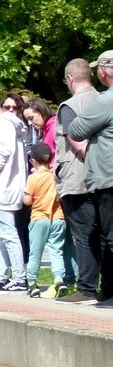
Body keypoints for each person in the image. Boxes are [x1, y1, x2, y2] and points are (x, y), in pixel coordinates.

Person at [55, 58, 105, 303]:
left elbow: (77, 143)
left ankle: (85, 288)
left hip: (77, 179)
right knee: (104, 235)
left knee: (83, 236)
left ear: (70, 79)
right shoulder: (104, 99)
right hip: (102, 180)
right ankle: (107, 287)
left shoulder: (69, 105)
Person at [68, 50, 113, 303]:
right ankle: (108, 290)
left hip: (109, 177)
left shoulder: (106, 100)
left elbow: (76, 128)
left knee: (111, 236)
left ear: (104, 71)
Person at [0, 91, 29, 292]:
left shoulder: (1, 123)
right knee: (3, 235)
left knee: (8, 234)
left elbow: (0, 158)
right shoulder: (15, 125)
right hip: (12, 186)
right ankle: (1, 277)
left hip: (2, 188)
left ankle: (19, 278)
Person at [24, 142, 75, 298]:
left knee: (35, 253)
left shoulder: (33, 178)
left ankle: (32, 283)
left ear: (33, 160)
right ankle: (59, 280)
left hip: (39, 219)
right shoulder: (55, 176)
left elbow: (27, 200)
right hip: (58, 218)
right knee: (57, 252)